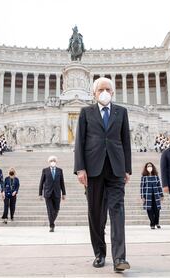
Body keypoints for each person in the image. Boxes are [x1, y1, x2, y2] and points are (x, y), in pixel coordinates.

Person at [74, 77, 131, 272]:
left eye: (108, 89)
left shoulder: (121, 112)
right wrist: (80, 169)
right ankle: (99, 252)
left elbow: (126, 141)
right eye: (101, 90)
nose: (105, 92)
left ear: (112, 93)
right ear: (94, 93)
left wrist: (127, 168)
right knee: (96, 214)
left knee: (118, 212)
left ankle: (119, 257)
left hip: (115, 168)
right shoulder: (86, 112)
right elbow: (79, 142)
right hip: (93, 169)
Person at [39, 155, 66, 232]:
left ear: (56, 162)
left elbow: (62, 182)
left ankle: (51, 221)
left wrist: (64, 193)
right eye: (51, 161)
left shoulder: (59, 170)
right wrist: (40, 193)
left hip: (57, 193)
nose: (52, 162)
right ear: (49, 162)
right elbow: (41, 182)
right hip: (48, 193)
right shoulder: (45, 170)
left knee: (56, 209)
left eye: (54, 160)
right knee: (50, 210)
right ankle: (52, 226)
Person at [140, 162, 163, 229]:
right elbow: (142, 187)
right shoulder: (144, 177)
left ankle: (157, 222)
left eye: (150, 166)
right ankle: (152, 223)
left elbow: (159, 186)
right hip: (148, 196)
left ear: (153, 167)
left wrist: (161, 195)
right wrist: (142, 196)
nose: (149, 167)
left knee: (157, 210)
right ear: (146, 168)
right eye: (148, 166)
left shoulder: (156, 176)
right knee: (149, 210)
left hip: (156, 195)